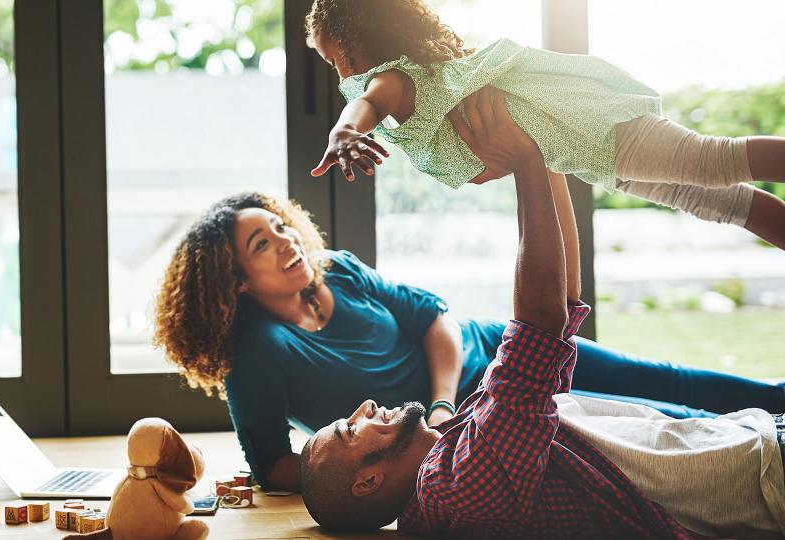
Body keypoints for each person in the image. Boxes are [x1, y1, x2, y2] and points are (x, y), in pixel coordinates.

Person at [299, 91, 785, 537]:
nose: (363, 408)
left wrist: (544, 157)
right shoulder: (456, 488)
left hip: (749, 441)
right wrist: (526, 162)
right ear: (368, 482)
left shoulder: (455, 445)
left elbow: (562, 306)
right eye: (349, 429)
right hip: (764, 476)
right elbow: (538, 328)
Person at [153, 187, 785, 494]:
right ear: (233, 282)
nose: (287, 241)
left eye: (280, 228)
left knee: (659, 378)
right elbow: (274, 465)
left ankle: (777, 400)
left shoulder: (337, 269)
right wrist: (402, 467)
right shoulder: (256, 353)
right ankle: (766, 452)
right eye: (262, 244)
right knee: (653, 421)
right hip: (480, 426)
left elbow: (436, 318)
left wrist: (442, 401)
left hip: (494, 357)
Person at [304, 0, 785, 250]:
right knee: (714, 201)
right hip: (589, 152)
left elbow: (365, 103)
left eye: (336, 59)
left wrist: (344, 133)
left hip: (594, 129)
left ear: (362, 41)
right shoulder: (430, 77)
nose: (340, 74)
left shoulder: (395, 81)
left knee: (712, 161)